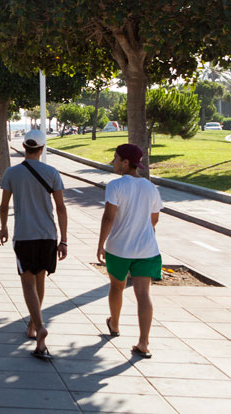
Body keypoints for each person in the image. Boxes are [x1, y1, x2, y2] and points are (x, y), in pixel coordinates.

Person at [0, 129, 68, 361]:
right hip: (48, 235)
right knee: (40, 278)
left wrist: (4, 227)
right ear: (42, 148)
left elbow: (4, 205)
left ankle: (40, 326)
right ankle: (32, 325)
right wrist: (63, 240)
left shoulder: (12, 173)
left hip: (24, 235)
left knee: (28, 282)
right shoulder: (52, 172)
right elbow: (61, 208)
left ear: (24, 147)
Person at [97, 143, 163, 359]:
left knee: (117, 287)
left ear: (126, 162)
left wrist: (100, 244)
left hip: (119, 248)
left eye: (116, 158)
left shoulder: (115, 186)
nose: (113, 162)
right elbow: (154, 219)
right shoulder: (150, 188)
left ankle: (115, 324)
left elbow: (108, 217)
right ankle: (144, 342)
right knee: (144, 294)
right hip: (146, 249)